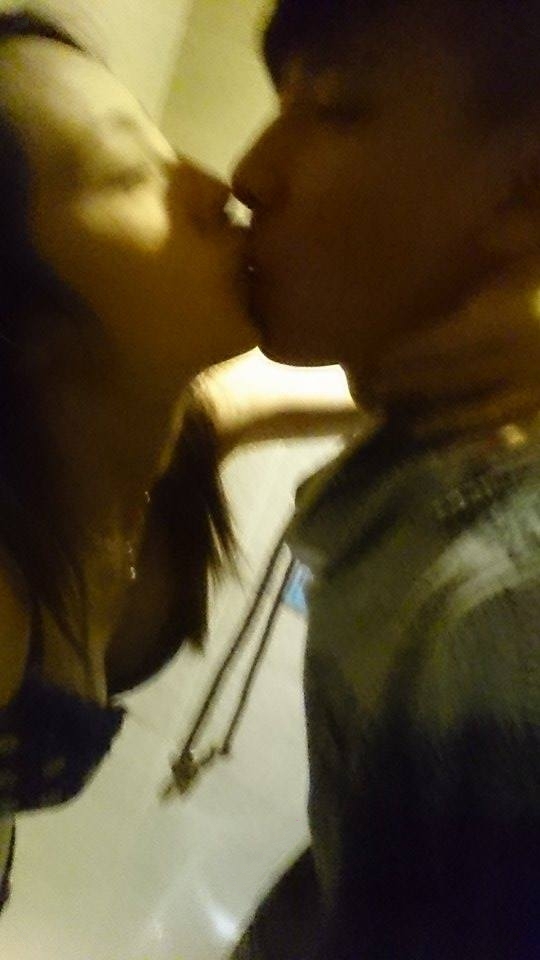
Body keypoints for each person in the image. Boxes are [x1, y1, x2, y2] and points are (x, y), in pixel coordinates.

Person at [229, 1, 540, 957]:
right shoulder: (423, 475)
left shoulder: (496, 609)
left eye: (334, 106)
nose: (247, 173)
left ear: (525, 193)